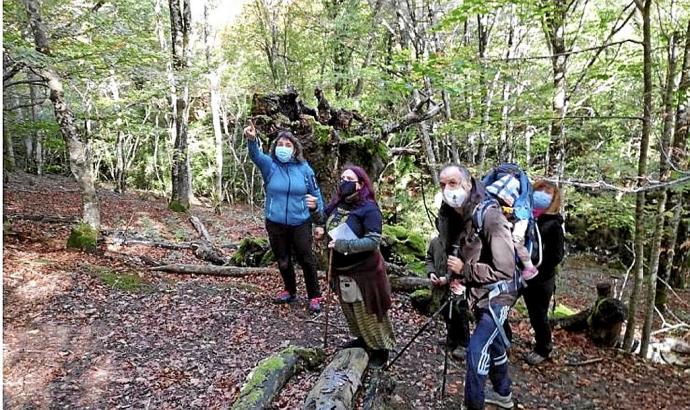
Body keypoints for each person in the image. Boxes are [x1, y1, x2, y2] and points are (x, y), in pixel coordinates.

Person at [437, 164, 517, 410]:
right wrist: (452, 276)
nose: (447, 189)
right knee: (493, 345)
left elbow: (506, 269)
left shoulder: (491, 216)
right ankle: (504, 395)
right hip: (477, 292)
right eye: (442, 184)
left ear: (468, 183)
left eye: (452, 183)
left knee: (476, 351)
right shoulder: (452, 214)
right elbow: (457, 250)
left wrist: (465, 271)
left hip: (499, 293)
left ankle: (473, 405)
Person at [315, 165, 395, 368]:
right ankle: (361, 339)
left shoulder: (369, 209)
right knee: (351, 309)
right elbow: (324, 220)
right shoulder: (338, 204)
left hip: (364, 270)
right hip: (342, 269)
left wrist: (344, 245)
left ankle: (380, 349)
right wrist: (319, 225)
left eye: (349, 178)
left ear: (361, 184)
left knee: (367, 309)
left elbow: (373, 241)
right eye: (342, 178)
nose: (344, 182)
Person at [244, 123, 324, 313]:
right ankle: (290, 290)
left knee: (306, 259)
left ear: (295, 148)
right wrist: (252, 139)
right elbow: (255, 155)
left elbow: (316, 193)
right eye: (280, 144)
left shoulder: (305, 169)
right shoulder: (270, 166)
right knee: (283, 260)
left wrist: (319, 216)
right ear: (275, 147)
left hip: (300, 222)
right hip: (276, 223)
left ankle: (314, 296)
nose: (284, 148)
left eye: (288, 145)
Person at [523, 180, 565, 365]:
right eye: (539, 190)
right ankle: (503, 338)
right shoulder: (524, 216)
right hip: (519, 272)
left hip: (541, 278)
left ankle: (543, 347)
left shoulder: (554, 224)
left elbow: (556, 256)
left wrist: (536, 271)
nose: (541, 195)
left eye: (547, 192)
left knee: (538, 314)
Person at [426, 222, 471, 361]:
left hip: (456, 285)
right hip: (440, 287)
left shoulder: (458, 243)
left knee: (459, 313)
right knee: (446, 313)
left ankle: (464, 344)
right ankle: (452, 339)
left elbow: (462, 264)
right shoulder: (435, 242)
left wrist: (447, 278)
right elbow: (429, 258)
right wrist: (431, 273)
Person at [485, 174, 538, 281]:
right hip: (507, 218)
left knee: (516, 240)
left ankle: (529, 267)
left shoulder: (520, 207)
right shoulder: (494, 197)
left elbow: (513, 216)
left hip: (519, 220)